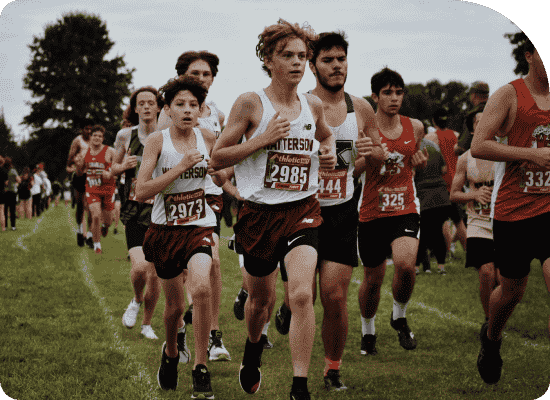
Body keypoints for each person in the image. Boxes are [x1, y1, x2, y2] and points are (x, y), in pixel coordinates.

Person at [210, 19, 337, 400]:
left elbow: (326, 136)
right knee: (260, 302)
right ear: (268, 60)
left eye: (302, 56)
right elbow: (217, 157)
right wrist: (262, 139)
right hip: (259, 214)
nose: (297, 63)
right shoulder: (251, 103)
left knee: (301, 295)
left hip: (303, 209)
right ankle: (252, 351)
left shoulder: (312, 104)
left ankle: (300, 385)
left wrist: (329, 153)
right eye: (287, 55)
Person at [306, 31, 384, 391]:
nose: (337, 66)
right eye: (328, 60)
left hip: (341, 212)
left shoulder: (361, 108)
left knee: (334, 297)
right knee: (301, 297)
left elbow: (376, 157)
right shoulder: (301, 105)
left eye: (341, 59)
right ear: (312, 66)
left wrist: (371, 154)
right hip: (301, 211)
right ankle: (287, 312)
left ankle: (332, 368)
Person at [136, 75, 223, 398]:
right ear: (168, 110)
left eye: (193, 105)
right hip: (165, 231)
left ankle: (200, 367)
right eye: (180, 104)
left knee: (201, 288)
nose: (187, 110)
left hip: (199, 226)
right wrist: (180, 167)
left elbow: (222, 175)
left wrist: (218, 173)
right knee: (174, 308)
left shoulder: (208, 136)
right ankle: (171, 351)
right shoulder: (157, 142)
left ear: (200, 110)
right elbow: (142, 191)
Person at [471, 35, 550, 385]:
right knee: (512, 291)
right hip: (513, 211)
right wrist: (532, 155)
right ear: (529, 55)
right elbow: (479, 145)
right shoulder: (509, 94)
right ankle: (492, 337)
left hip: (549, 208)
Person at [158, 50, 231, 362]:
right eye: (195, 73)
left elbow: (223, 157)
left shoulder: (217, 114)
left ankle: (214, 335)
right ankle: (180, 327)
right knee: (184, 269)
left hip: (209, 196)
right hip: (177, 199)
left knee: (214, 262)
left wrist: (225, 177)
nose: (202, 78)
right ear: (181, 76)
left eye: (206, 74)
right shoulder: (170, 112)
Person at [355, 67, 428, 356]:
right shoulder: (364, 129)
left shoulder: (416, 127)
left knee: (406, 265)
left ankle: (399, 316)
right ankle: (368, 331)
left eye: (398, 92)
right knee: (373, 280)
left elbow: (414, 161)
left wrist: (420, 164)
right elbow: (350, 171)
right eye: (387, 93)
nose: (394, 98)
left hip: (405, 207)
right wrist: (370, 158)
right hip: (372, 211)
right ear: (375, 97)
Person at [113, 87, 163, 341]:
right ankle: (135, 299)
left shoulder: (166, 134)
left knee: (154, 274)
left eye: (150, 103)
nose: (145, 107)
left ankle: (147, 324)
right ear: (135, 108)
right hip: (134, 209)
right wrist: (123, 166)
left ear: (158, 107)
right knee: (141, 267)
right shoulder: (125, 135)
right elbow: (111, 169)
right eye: (141, 103)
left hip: (160, 210)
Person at [450, 112, 500, 329]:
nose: (486, 124)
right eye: (479, 122)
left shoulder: (506, 155)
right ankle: (489, 321)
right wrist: (474, 195)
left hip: (504, 223)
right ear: (472, 130)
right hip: (478, 224)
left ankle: (498, 314)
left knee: (504, 279)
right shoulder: (465, 159)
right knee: (487, 272)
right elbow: (454, 194)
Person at [425, 108, 467, 259]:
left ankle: (447, 252)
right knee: (458, 220)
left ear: (433, 121)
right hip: (456, 181)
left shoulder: (430, 138)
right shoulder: (457, 136)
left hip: (440, 183)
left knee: (443, 221)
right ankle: (469, 252)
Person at [414, 126, 450, 274]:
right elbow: (444, 170)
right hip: (441, 195)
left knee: (422, 233)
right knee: (437, 231)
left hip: (424, 195)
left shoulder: (413, 148)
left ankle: (418, 267)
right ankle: (441, 267)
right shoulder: (434, 146)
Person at [76, 125, 116, 254]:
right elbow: (80, 172)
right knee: (96, 215)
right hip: (92, 188)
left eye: (100, 136)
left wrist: (110, 173)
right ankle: (97, 245)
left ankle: (105, 226)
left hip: (108, 189)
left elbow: (118, 168)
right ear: (91, 137)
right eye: (95, 135)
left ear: (103, 138)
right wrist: (78, 164)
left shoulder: (110, 151)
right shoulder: (84, 153)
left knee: (108, 220)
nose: (97, 138)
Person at [67, 125, 92, 246]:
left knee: (90, 206)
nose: (88, 131)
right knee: (80, 205)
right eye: (86, 129)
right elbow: (70, 157)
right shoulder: (78, 141)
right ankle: (80, 231)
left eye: (90, 129)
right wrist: (74, 163)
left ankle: (88, 235)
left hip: (91, 175)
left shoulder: (94, 140)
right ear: (82, 130)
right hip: (79, 175)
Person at [455, 81, 490, 156]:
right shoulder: (497, 112)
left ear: (473, 95)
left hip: (477, 160)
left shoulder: (473, 116)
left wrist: (455, 148)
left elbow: (462, 148)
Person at [3, 157, 21, 231]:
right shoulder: (13, 170)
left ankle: (5, 225)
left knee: (5, 210)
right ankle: (13, 226)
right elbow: (19, 180)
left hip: (4, 191)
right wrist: (15, 183)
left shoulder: (3, 170)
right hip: (12, 191)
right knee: (12, 209)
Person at [0, 155, 7, 231]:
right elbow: (6, 183)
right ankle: (3, 228)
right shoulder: (3, 171)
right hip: (1, 191)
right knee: (1, 210)